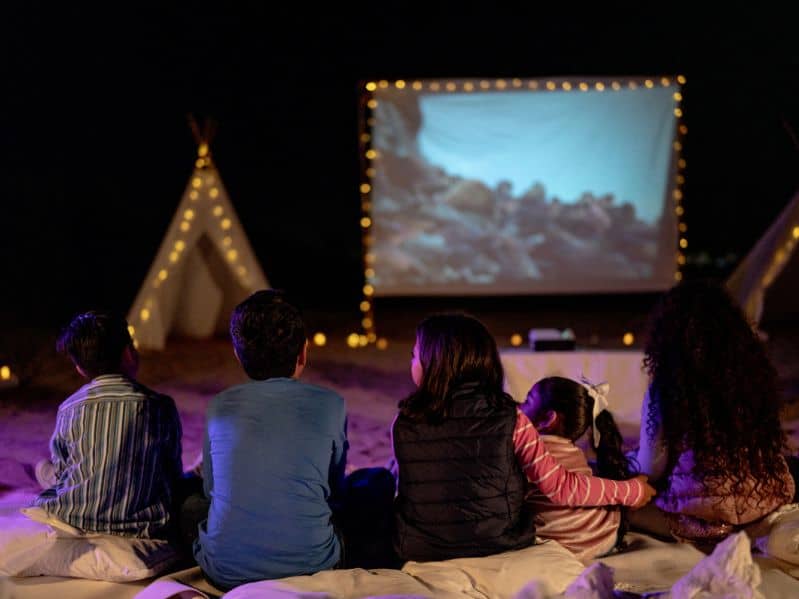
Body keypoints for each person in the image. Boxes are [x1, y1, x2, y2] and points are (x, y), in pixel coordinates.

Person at [392, 313, 655, 562]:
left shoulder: (404, 423)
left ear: (436, 365)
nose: (411, 362)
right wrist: (630, 490)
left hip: (420, 547)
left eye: (415, 355)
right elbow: (560, 487)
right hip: (497, 544)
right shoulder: (512, 420)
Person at [190, 290, 349, 590]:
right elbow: (335, 486)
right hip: (314, 566)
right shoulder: (331, 403)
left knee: (190, 505)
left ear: (238, 355)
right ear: (303, 352)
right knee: (369, 491)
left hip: (224, 573)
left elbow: (211, 490)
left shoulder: (219, 406)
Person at [633, 280, 795, 543]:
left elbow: (651, 466)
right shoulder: (754, 376)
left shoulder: (669, 384)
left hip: (700, 515)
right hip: (765, 504)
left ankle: (707, 533)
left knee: (617, 503)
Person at [33, 310, 183, 539]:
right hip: (142, 525)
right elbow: (171, 474)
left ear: (80, 368)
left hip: (73, 516)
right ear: (129, 354)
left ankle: (35, 470)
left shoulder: (68, 409)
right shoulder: (160, 406)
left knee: (44, 467)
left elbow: (64, 472)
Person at [520, 376, 635, 561]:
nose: (519, 406)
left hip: (563, 542)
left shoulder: (530, 447)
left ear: (548, 419)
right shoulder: (574, 451)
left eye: (527, 401)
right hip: (601, 534)